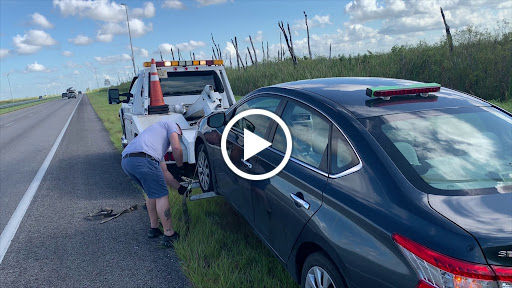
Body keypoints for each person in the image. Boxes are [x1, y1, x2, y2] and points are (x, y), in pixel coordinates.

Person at [121, 119, 190, 248]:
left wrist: (180, 188)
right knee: (162, 195)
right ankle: (169, 234)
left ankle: (154, 228)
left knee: (152, 193)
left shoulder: (153, 140)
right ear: (179, 130)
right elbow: (176, 147)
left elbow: (165, 174)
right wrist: (181, 167)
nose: (177, 138)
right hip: (144, 160)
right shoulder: (172, 125)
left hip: (127, 161)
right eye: (178, 136)